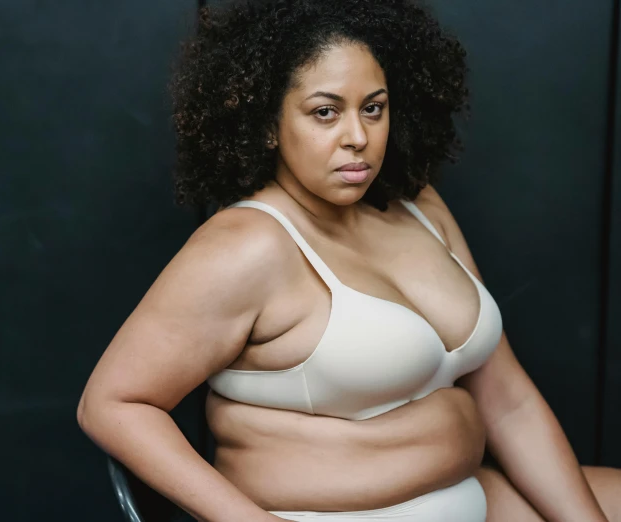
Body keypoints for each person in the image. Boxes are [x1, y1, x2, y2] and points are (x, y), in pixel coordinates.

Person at [77, 1, 621, 520]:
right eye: (324, 113)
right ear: (269, 123)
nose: (357, 137)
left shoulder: (420, 206)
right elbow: (112, 403)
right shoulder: (248, 245)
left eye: (373, 109)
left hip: (469, 497)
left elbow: (508, 402)